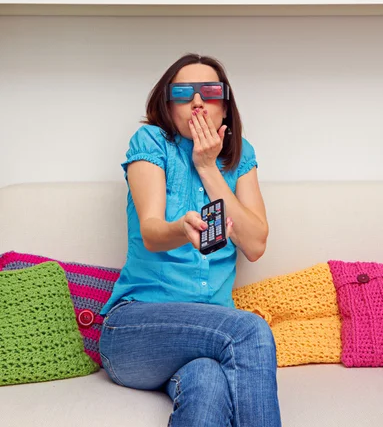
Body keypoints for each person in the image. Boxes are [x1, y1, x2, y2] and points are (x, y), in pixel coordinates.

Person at [99, 53, 282, 427]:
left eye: (210, 91)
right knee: (249, 329)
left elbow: (256, 244)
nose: (197, 101)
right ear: (167, 106)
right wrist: (180, 229)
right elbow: (150, 230)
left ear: (225, 107)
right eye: (183, 93)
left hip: (208, 339)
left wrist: (207, 168)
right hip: (136, 329)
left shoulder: (240, 156)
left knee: (207, 383)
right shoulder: (151, 141)